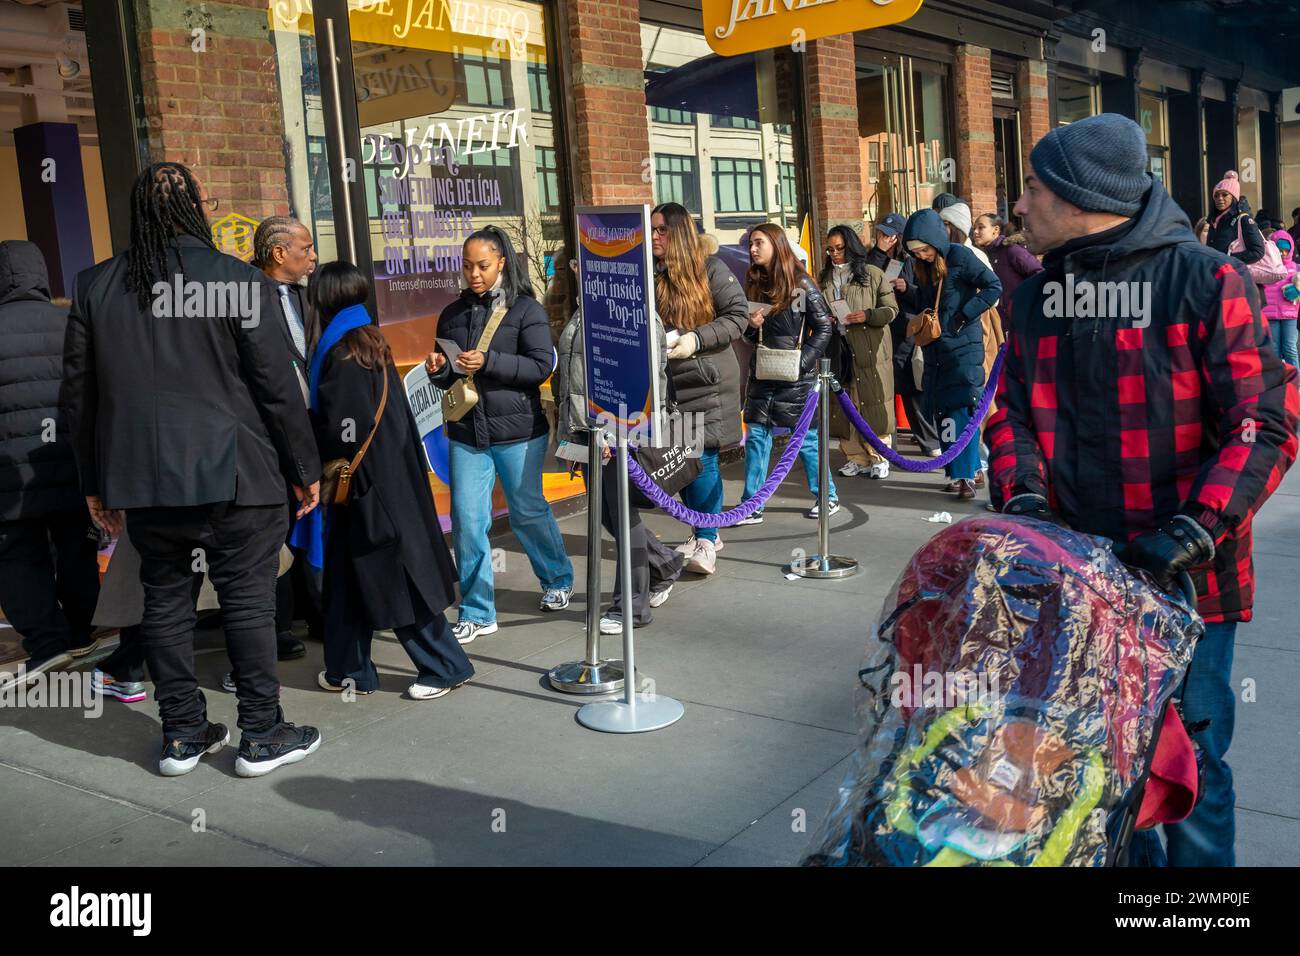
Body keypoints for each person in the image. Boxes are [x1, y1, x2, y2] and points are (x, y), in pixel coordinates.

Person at [991, 113, 1298, 867]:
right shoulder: (1034, 301)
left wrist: (1197, 527)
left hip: (1193, 590)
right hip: (1075, 587)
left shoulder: (1203, 279)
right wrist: (1023, 496)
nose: (1019, 206)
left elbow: (1266, 416)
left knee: (1190, 771)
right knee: (1090, 766)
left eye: (1032, 188)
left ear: (1079, 194)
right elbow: (1011, 417)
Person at [63, 162, 323, 778]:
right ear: (195, 212)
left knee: (165, 603)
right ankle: (261, 731)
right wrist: (304, 466)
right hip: (237, 471)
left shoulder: (96, 285)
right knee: (249, 602)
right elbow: (274, 387)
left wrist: (94, 484)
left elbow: (79, 398)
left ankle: (182, 731)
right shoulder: (235, 279)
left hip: (146, 480)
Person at [301, 263, 474, 699]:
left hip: (367, 491)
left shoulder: (341, 354)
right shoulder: (369, 341)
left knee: (396, 579)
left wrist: (311, 447)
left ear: (323, 299)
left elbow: (346, 430)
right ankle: (348, 671)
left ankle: (446, 666)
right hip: (384, 482)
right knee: (346, 582)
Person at [424, 226, 573, 644]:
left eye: (483, 265)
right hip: (468, 431)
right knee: (468, 521)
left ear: (502, 262)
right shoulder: (451, 314)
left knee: (527, 511)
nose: (474, 273)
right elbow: (451, 378)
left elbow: (541, 366)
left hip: (519, 430)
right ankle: (477, 610)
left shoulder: (526, 310)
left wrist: (489, 360)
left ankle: (557, 578)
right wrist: (440, 369)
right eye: (468, 265)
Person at [0, 240, 102, 678]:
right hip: (69, 465)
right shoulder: (72, 322)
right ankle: (81, 633)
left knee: (18, 558)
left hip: (9, 475)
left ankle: (46, 644)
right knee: (77, 547)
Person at [553, 294, 681, 632]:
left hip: (618, 433)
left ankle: (631, 607)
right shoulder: (586, 306)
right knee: (609, 514)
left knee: (623, 515)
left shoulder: (632, 309)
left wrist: (619, 432)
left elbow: (648, 379)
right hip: (587, 429)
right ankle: (664, 562)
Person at [651, 202, 748, 575]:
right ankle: (702, 531)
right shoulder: (652, 273)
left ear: (679, 234)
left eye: (662, 230)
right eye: (653, 230)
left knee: (703, 458)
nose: (655, 237)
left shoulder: (712, 268)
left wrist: (695, 338)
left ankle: (707, 538)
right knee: (684, 463)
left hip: (709, 380)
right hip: (673, 385)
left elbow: (737, 317)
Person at [251, 215, 320, 663]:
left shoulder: (306, 298)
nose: (313, 256)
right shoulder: (246, 299)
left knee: (307, 525)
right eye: (306, 249)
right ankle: (276, 628)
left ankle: (314, 612)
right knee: (275, 533)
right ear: (279, 254)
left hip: (311, 429)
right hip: (266, 438)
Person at [736, 224, 837, 523]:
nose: (753, 250)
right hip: (763, 371)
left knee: (804, 439)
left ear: (776, 245)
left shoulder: (801, 284)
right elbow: (752, 334)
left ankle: (827, 496)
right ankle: (752, 504)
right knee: (756, 435)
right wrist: (751, 327)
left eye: (759, 243)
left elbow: (825, 327)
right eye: (751, 244)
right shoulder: (755, 283)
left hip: (795, 374)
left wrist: (802, 363)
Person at [900, 209, 1002, 501]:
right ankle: (963, 472)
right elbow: (924, 301)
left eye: (924, 248)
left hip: (963, 350)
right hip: (936, 350)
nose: (921, 255)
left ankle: (965, 475)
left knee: (962, 412)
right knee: (943, 412)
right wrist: (909, 295)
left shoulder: (959, 256)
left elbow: (994, 286)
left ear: (935, 239)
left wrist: (963, 315)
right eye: (916, 251)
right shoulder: (923, 267)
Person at [820, 225, 898, 479]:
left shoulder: (872, 274)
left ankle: (879, 456)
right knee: (844, 403)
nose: (834, 254)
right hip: (840, 347)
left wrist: (867, 315)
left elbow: (891, 310)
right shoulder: (825, 277)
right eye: (830, 249)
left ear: (851, 246)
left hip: (869, 347)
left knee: (873, 402)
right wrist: (826, 319)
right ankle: (855, 456)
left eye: (839, 248)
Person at [871, 213, 940, 458]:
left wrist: (906, 288)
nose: (885, 239)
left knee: (912, 385)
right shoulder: (875, 258)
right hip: (881, 330)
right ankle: (888, 443)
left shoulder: (912, 259)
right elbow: (866, 278)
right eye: (882, 233)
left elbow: (926, 295)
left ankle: (930, 439)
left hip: (908, 329)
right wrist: (879, 252)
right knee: (888, 387)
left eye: (890, 235)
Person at [972, 213, 1043, 335]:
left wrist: (1023, 303)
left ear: (996, 230)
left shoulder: (1011, 250)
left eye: (981, 227)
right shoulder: (979, 255)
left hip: (1019, 322)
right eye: (974, 228)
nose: (975, 232)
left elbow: (1039, 273)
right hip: (996, 324)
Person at [1203, 171, 1264, 265]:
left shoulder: (1244, 220)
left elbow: (1257, 252)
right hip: (1216, 274)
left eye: (1224, 194)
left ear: (1233, 197)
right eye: (1216, 195)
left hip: (1236, 275)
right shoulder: (1213, 221)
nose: (1219, 198)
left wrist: (1228, 259)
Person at [1262, 228, 1299, 368]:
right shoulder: (1266, 267)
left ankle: (1296, 381)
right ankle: (1279, 383)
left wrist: (1297, 291)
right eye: (1280, 249)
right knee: (1275, 350)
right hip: (1271, 315)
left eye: (1286, 250)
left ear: (1290, 250)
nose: (1283, 253)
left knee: (1290, 349)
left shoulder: (1295, 267)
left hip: (1290, 315)